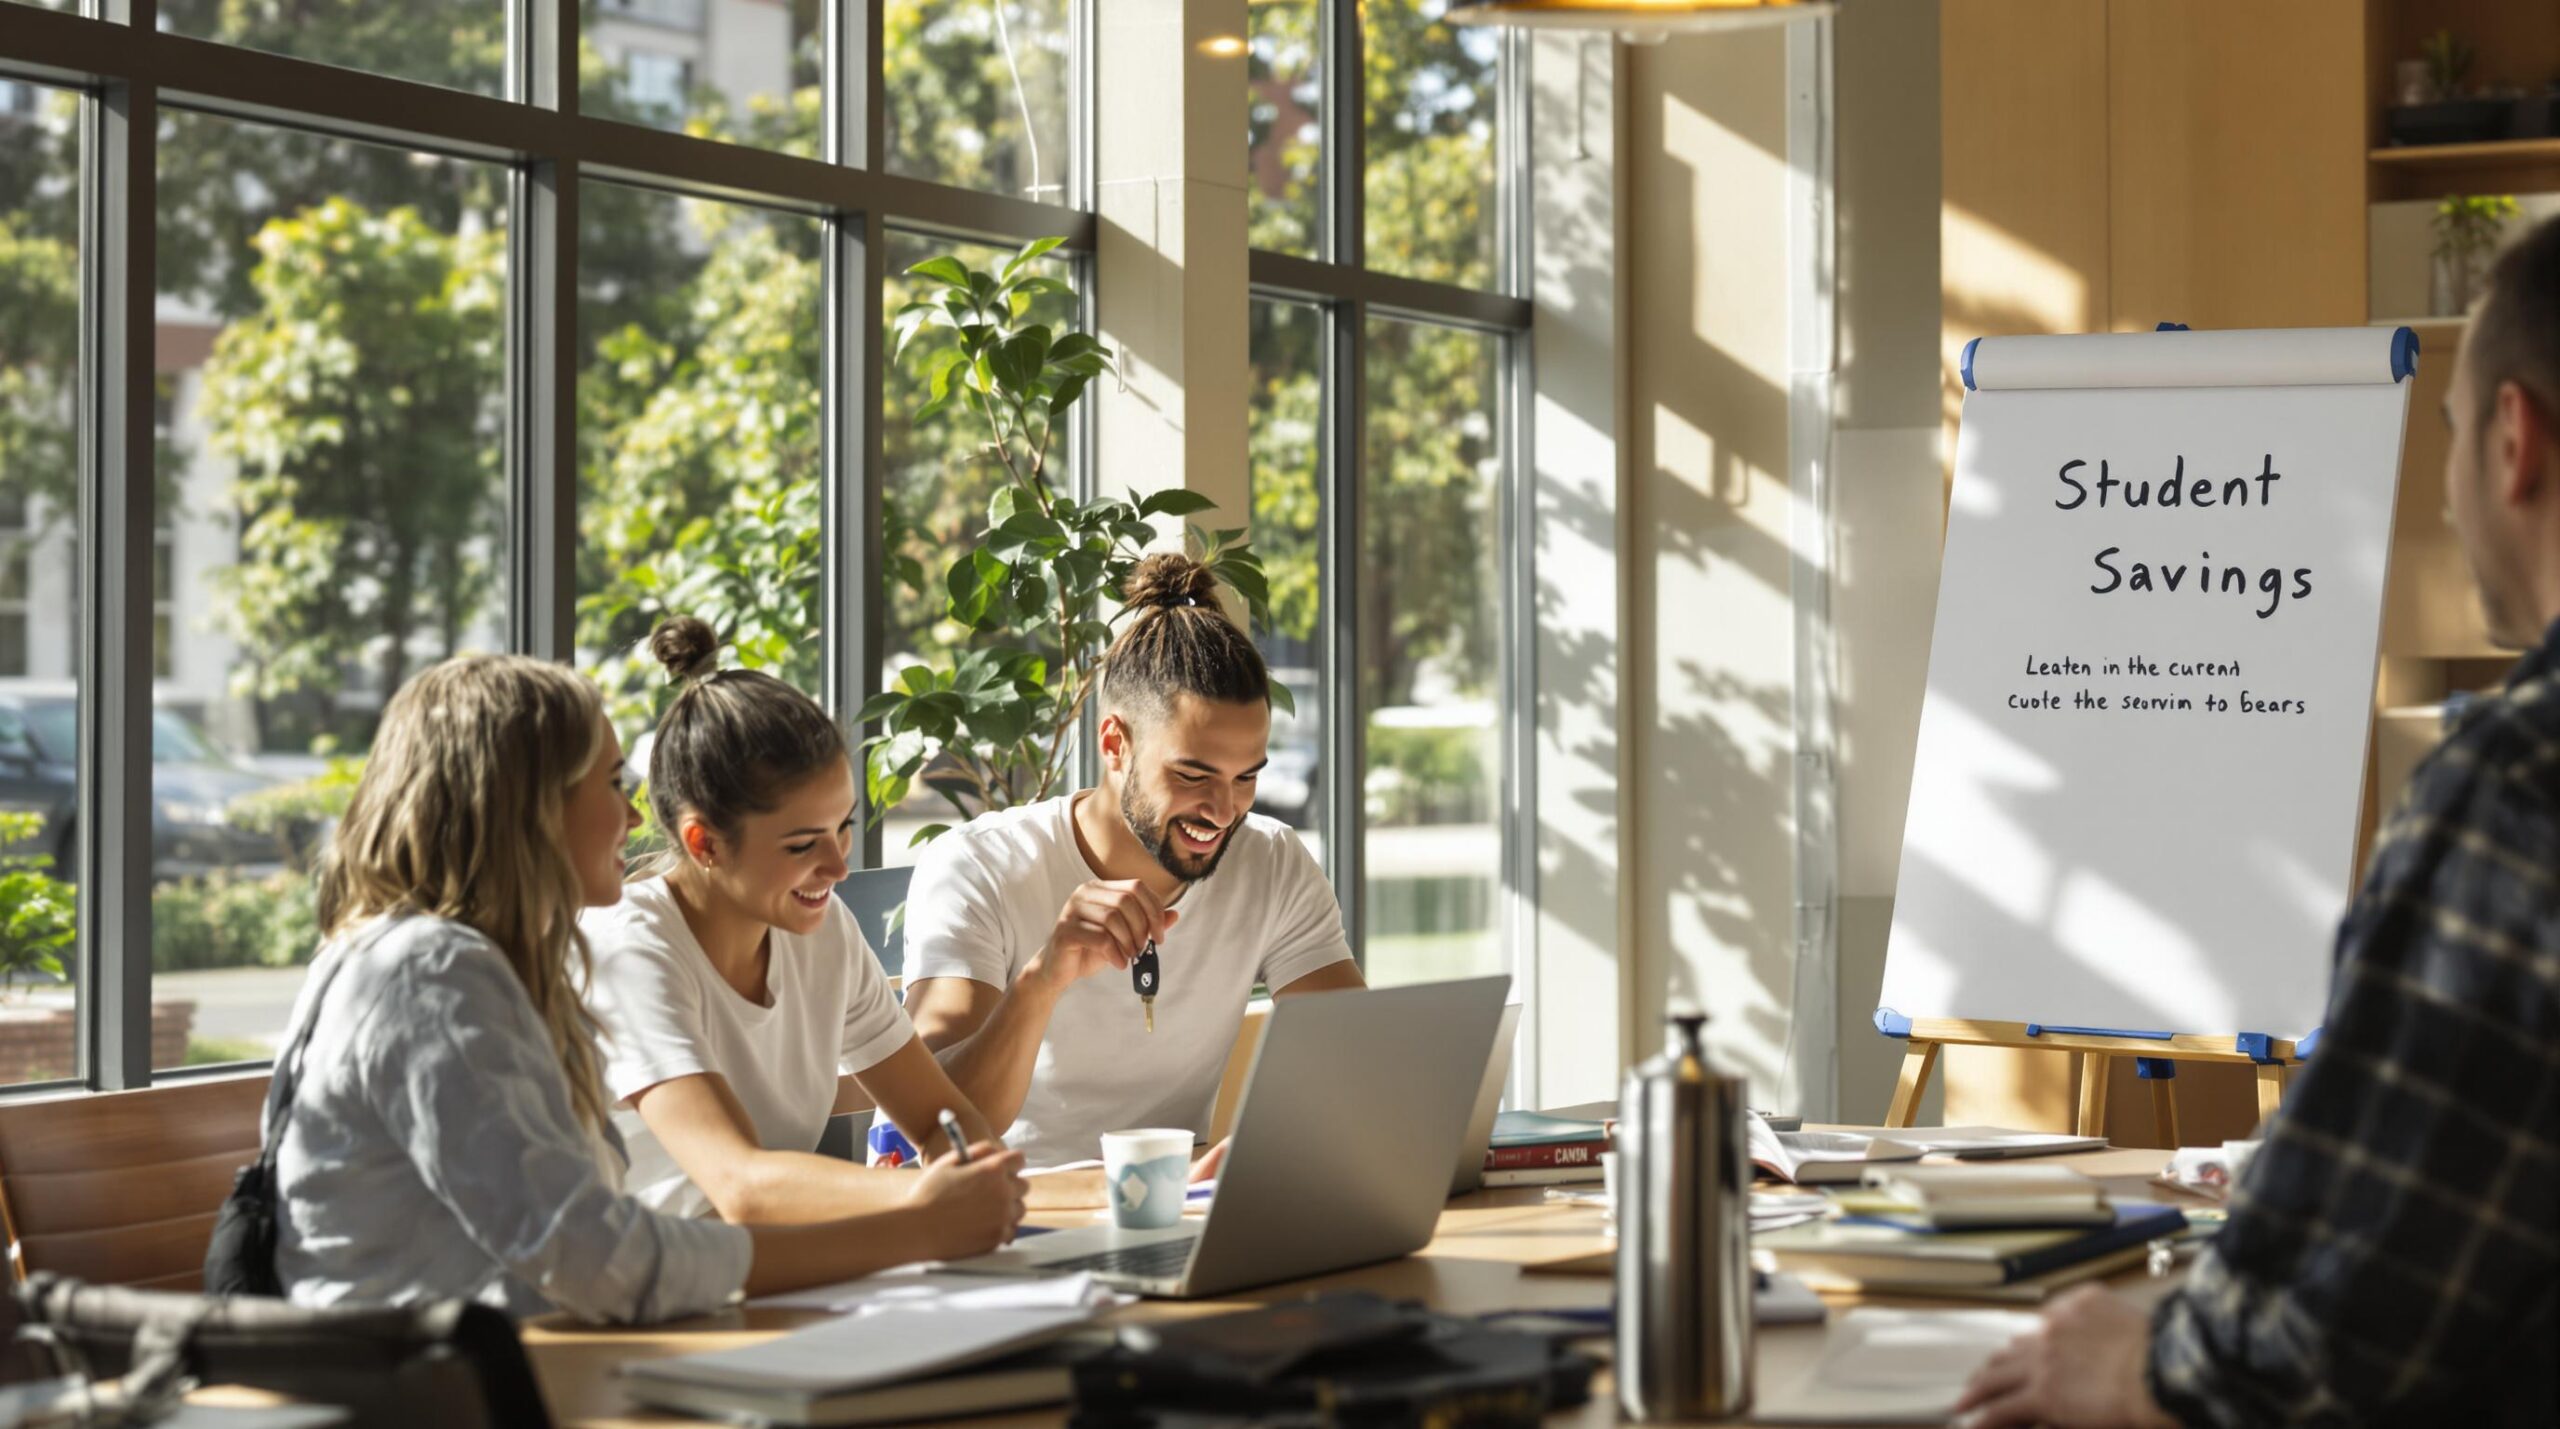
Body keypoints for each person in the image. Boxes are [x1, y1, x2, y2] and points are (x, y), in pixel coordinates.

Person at [1956, 217, 2560, 1426]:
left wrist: (2137, 1364)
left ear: (2512, 440)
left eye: (2440, 439)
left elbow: (2342, 1333)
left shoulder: (2511, 788)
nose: (2439, 501)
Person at [270, 654, 1026, 1323]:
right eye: (609, 783)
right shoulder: (431, 975)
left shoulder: (484, 965)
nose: (634, 814)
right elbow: (602, 1259)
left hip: (511, 1362)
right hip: (420, 1392)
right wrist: (919, 1226)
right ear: (527, 807)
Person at [898, 553, 1367, 1170]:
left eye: (1246, 778)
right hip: (1010, 1219)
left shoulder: (1271, 861)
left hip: (1172, 1214)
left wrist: (1270, 1147)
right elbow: (937, 1126)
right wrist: (1043, 981)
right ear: (1115, 744)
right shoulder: (980, 865)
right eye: (1193, 774)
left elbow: (1358, 1062)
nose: (1224, 810)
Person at [582, 616, 1005, 1223]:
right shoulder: (631, 948)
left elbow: (945, 1122)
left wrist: (981, 1174)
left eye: (844, 829)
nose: (837, 867)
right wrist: (928, 1197)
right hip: (652, 1293)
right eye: (803, 845)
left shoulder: (824, 930)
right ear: (703, 843)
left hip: (790, 1272)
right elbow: (741, 1187)